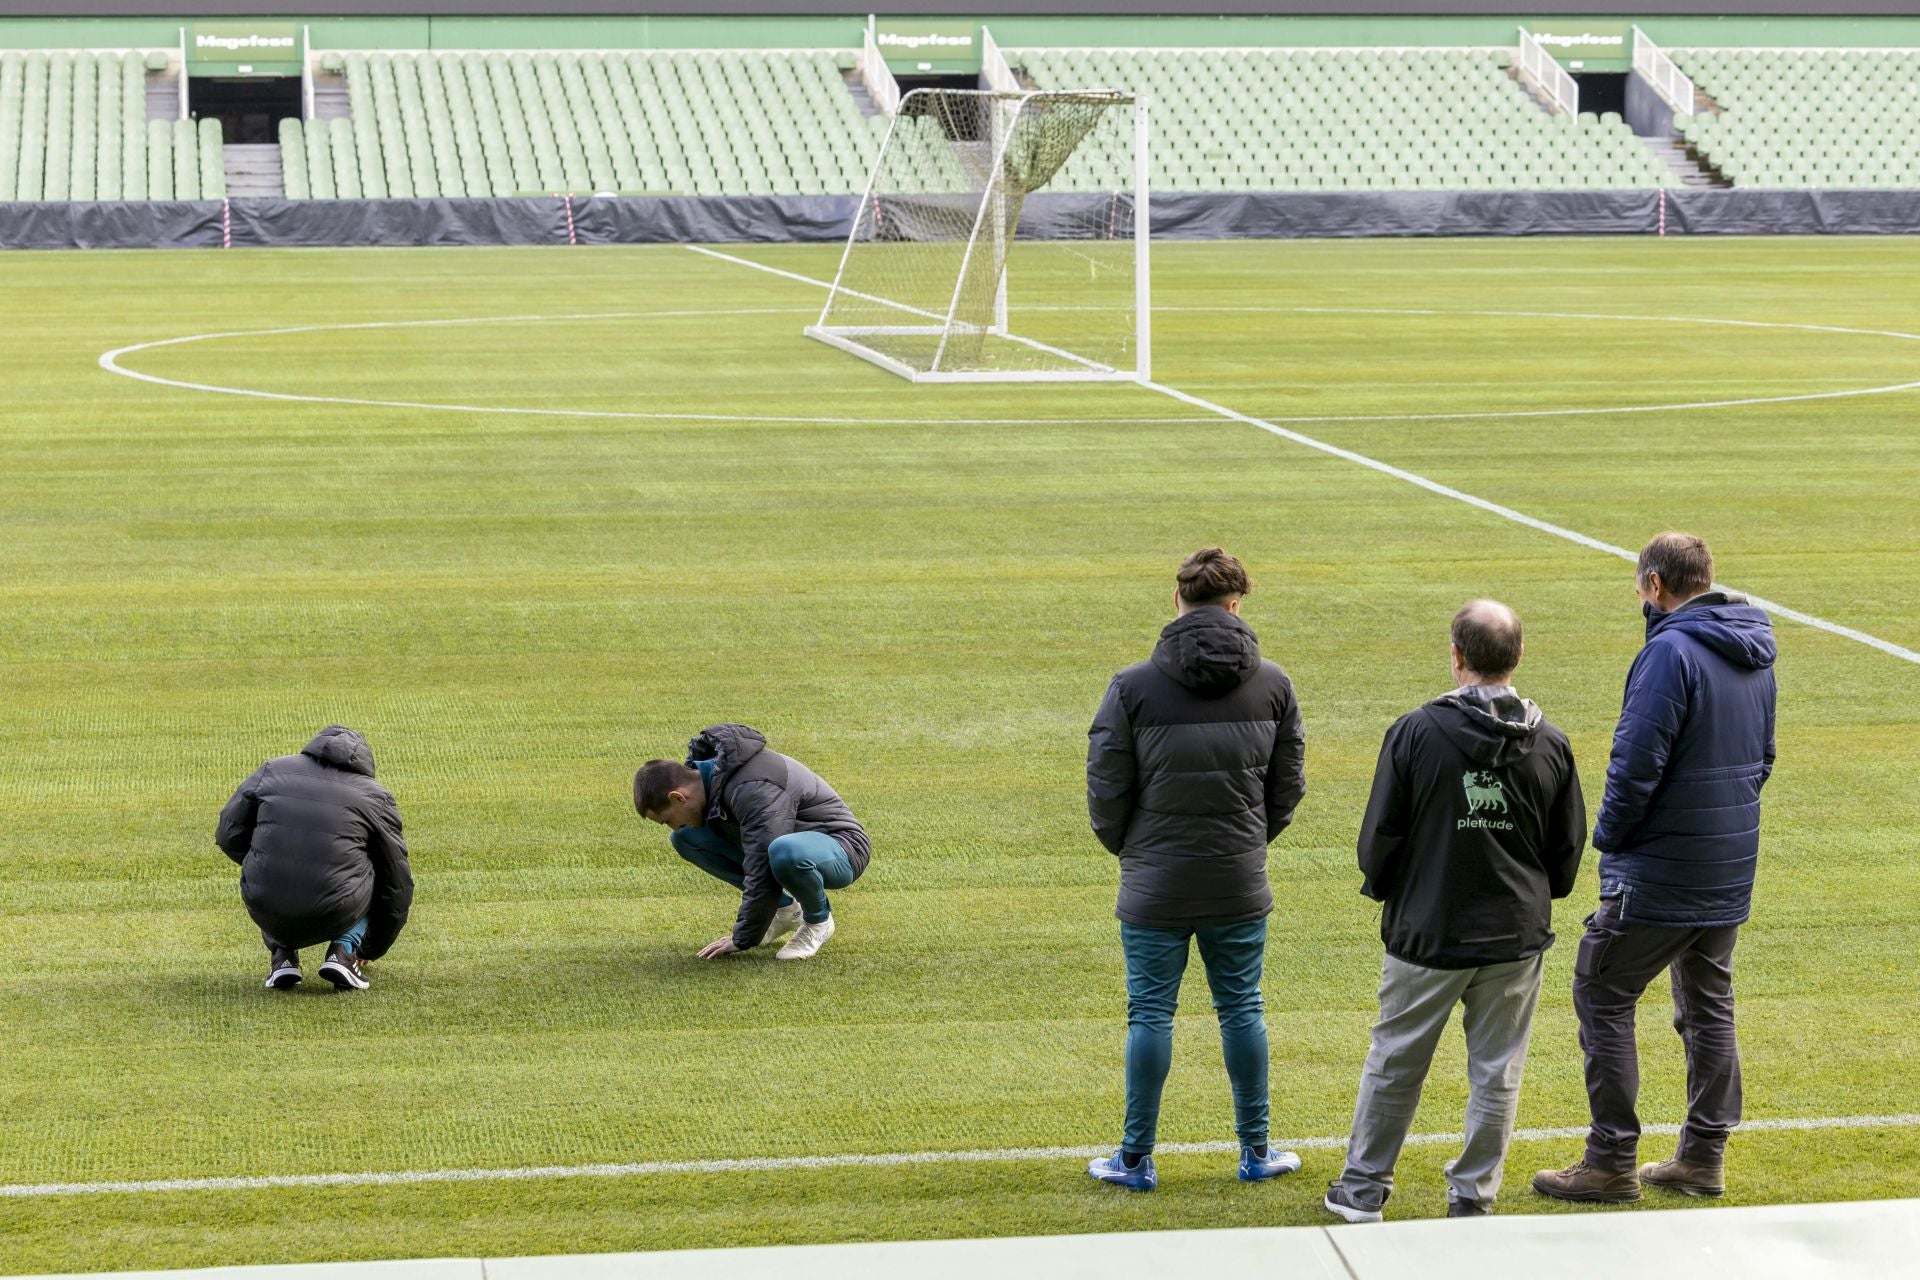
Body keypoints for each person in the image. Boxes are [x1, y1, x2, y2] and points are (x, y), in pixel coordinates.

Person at [1323, 601, 1585, 1224]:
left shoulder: (1416, 731)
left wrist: (1395, 893)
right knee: (1497, 1072)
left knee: (1396, 1059)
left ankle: (1363, 1190)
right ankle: (1472, 1197)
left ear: (1457, 656)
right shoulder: (1550, 743)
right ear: (1518, 657)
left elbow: (1379, 838)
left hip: (1428, 929)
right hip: (1514, 937)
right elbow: (1566, 850)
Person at [1534, 533, 1777, 1204]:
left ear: (1653, 585)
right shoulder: (1754, 650)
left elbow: (1635, 761)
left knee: (1602, 991)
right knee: (1708, 1003)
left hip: (1662, 869)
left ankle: (1610, 1160)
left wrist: (1610, 837)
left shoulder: (1668, 652)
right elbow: (1764, 757)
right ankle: (1703, 1157)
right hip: (1727, 866)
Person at [1083, 547, 1308, 1192]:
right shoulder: (1273, 683)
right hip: (1238, 875)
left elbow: (1105, 787)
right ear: (1236, 604)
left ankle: (1134, 1157)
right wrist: (1251, 840)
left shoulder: (1132, 686)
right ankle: (1256, 1149)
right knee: (1242, 1008)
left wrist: (1131, 849)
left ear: (1176, 599)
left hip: (1154, 879)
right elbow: (1287, 787)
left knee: (1149, 1012)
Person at [635, 723, 870, 962]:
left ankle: (818, 921)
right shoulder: (715, 781)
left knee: (783, 851)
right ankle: (785, 911)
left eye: (667, 820)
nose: (673, 826)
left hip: (843, 848)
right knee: (687, 838)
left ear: (678, 797)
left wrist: (743, 937)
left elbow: (762, 867)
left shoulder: (751, 787)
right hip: (789, 844)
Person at [215, 726, 413, 992]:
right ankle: (344, 952)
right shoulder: (375, 796)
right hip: (336, 908)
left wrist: (261, 860)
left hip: (264, 902)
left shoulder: (272, 770)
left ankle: (282, 957)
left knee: (278, 872)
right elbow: (396, 881)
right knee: (377, 871)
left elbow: (228, 835)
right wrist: (373, 947)